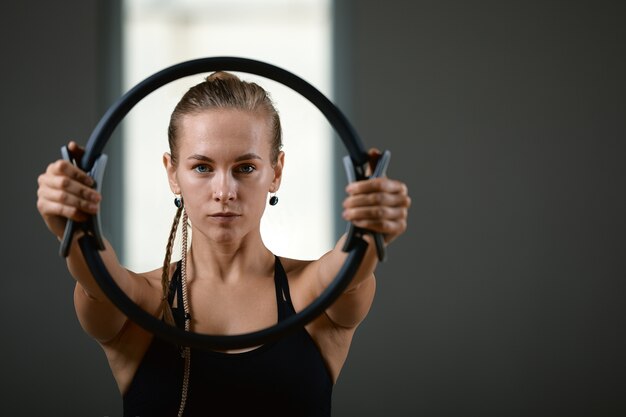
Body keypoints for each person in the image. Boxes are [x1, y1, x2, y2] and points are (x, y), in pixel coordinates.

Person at [36, 72, 411, 417]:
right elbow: (97, 280)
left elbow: (352, 268)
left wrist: (371, 226)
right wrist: (74, 224)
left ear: (275, 172)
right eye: (202, 167)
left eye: (245, 168)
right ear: (173, 173)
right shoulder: (143, 303)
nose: (224, 192)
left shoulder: (311, 294)